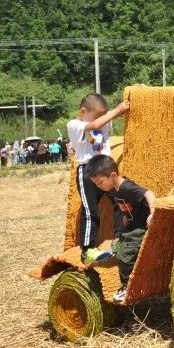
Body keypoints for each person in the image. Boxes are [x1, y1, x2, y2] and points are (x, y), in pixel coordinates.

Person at [84, 154, 155, 303]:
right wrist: (126, 218)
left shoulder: (125, 186)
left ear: (113, 175)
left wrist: (153, 213)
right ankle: (117, 255)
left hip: (141, 227)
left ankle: (128, 287)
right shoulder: (114, 189)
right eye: (96, 184)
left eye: (100, 182)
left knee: (124, 256)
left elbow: (149, 194)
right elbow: (127, 207)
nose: (99, 186)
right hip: (131, 225)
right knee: (116, 248)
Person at [67, 93, 131, 253]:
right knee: (91, 210)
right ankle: (88, 250)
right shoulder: (74, 125)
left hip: (106, 169)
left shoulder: (102, 122)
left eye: (104, 115)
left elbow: (99, 132)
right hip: (88, 171)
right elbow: (95, 125)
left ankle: (119, 239)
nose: (104, 119)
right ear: (83, 111)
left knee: (121, 201)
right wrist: (117, 110)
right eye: (99, 115)